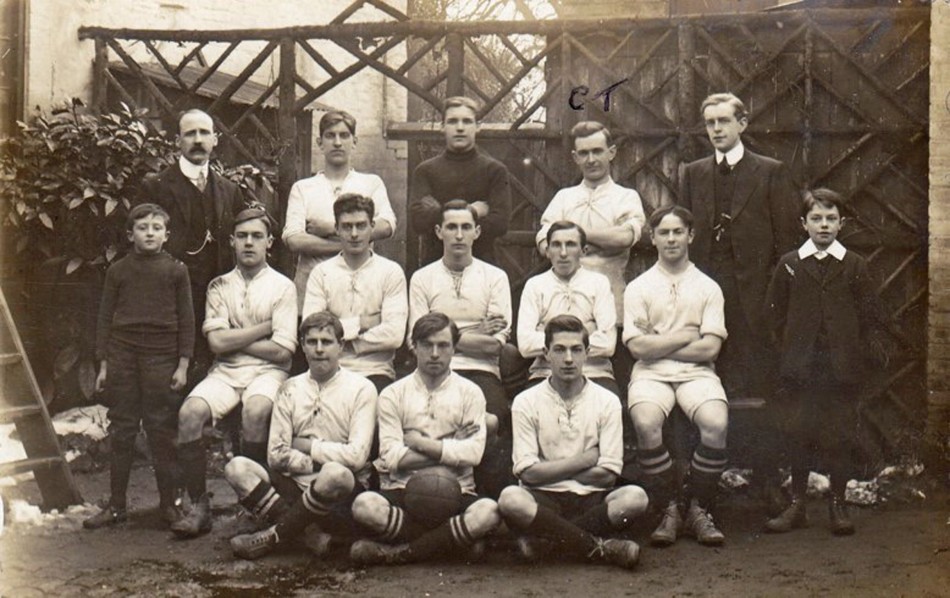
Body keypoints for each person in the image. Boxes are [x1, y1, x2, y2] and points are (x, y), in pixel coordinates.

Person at [679, 92, 800, 511]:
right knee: (703, 387)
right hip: (704, 300)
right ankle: (703, 486)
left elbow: (787, 246)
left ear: (742, 124)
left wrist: (774, 303)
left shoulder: (771, 172)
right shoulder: (692, 173)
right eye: (709, 122)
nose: (716, 129)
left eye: (724, 121)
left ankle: (766, 479)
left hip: (754, 304)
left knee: (760, 390)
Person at [764, 189, 893, 536]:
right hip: (801, 371)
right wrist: (789, 356)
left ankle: (838, 503)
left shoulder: (854, 265)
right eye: (816, 219)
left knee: (838, 436)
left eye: (831, 218)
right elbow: (773, 318)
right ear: (803, 223)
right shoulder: (789, 264)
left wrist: (855, 358)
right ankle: (798, 504)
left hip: (840, 370)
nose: (824, 225)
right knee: (798, 433)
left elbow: (870, 319)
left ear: (842, 224)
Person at [172, 207, 298, 538]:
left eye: (257, 236)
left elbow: (282, 351)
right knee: (189, 413)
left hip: (269, 372)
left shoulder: (283, 287)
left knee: (256, 410)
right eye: (242, 236)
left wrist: (234, 339)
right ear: (231, 242)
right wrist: (263, 329)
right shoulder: (219, 286)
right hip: (225, 372)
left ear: (270, 242)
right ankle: (199, 506)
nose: (249, 243)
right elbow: (215, 343)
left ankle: (250, 506)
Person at [349, 312, 501, 565]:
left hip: (457, 489)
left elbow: (472, 454)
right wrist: (451, 442)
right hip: (402, 489)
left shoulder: (471, 392)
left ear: (454, 348)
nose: (434, 353)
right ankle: (448, 545)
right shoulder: (392, 394)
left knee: (489, 512)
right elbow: (392, 457)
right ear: (414, 346)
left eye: (443, 345)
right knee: (364, 506)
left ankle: (399, 553)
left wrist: (419, 443)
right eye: (427, 345)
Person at [224, 312, 377, 559]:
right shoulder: (289, 388)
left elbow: (357, 456)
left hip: (340, 495)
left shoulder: (362, 388)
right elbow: (276, 455)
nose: (319, 349)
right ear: (302, 346)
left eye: (326, 342)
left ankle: (274, 536)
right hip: (295, 488)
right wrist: (318, 459)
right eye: (311, 341)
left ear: (341, 346)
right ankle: (310, 536)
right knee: (237, 467)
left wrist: (308, 446)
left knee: (334, 473)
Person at [498, 315, 646, 570]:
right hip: (543, 499)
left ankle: (546, 543)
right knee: (511, 499)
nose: (568, 359)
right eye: (559, 349)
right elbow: (529, 474)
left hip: (591, 499)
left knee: (636, 498)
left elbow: (608, 477)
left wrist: (550, 470)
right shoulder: (526, 401)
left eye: (576, 350)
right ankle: (599, 548)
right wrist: (585, 459)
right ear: (546, 354)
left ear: (587, 353)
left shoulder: (607, 400)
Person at [624, 205, 729, 547]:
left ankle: (698, 508)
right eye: (664, 233)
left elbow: (709, 350)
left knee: (715, 423)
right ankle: (668, 507)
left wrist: (660, 343)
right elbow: (638, 349)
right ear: (652, 238)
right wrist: (685, 336)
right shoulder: (638, 287)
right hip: (651, 373)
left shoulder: (708, 286)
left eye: (678, 232)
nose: (671, 239)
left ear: (690, 236)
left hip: (697, 373)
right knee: (645, 421)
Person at [84, 204, 194, 529]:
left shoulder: (177, 270)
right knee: (122, 430)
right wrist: (103, 364)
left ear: (166, 235)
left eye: (156, 228)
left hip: (162, 357)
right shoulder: (118, 270)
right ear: (130, 234)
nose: (150, 233)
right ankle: (116, 506)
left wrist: (183, 365)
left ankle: (169, 506)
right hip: (123, 356)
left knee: (161, 430)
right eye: (143, 228)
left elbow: (187, 320)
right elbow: (104, 318)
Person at [408, 200, 513, 497]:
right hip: (432, 371)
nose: (458, 234)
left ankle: (487, 501)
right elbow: (416, 340)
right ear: (439, 231)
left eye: (466, 227)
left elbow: (494, 345)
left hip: (481, 371)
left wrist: (440, 335)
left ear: (477, 232)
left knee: (490, 421)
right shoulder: (422, 278)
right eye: (451, 227)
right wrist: (473, 330)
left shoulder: (495, 277)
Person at [139, 109, 245, 378]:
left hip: (217, 294)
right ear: (178, 141)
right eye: (190, 134)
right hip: (172, 295)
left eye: (204, 133)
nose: (198, 140)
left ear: (215, 139)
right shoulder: (156, 185)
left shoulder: (229, 190)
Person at [282, 110, 397, 310]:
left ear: (354, 141)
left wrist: (329, 228)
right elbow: (294, 239)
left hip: (360, 283)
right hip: (312, 285)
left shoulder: (371, 183)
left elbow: (387, 225)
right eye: (330, 135)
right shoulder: (303, 187)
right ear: (319, 142)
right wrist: (355, 245)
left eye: (344, 135)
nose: (337, 142)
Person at [536, 121, 645, 324]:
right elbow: (544, 242)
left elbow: (624, 237)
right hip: (564, 300)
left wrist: (571, 236)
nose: (591, 159)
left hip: (610, 299)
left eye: (597, 151)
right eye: (584, 153)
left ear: (611, 152)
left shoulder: (626, 197)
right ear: (575, 157)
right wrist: (602, 238)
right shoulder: (563, 198)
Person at [301, 193, 407, 394]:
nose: (355, 233)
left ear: (372, 226)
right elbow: (310, 329)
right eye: (347, 226)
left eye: (361, 225)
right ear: (336, 229)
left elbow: (394, 335)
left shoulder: (391, 272)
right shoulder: (322, 273)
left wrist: (341, 339)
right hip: (329, 369)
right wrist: (363, 323)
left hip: (376, 370)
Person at [409, 96, 511, 265]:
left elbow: (500, 223)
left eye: (467, 121)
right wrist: (473, 211)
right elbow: (418, 221)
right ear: (443, 126)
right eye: (453, 121)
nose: (460, 128)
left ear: (477, 126)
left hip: (483, 267)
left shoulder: (495, 171)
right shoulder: (425, 171)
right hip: (435, 267)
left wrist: (439, 213)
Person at [518, 222, 618, 395]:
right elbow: (525, 345)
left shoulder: (598, 283)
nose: (563, 253)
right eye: (556, 245)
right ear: (547, 251)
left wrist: (549, 335)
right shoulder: (535, 285)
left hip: (594, 372)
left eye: (570, 244)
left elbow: (608, 344)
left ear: (583, 250)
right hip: (545, 373)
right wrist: (586, 331)